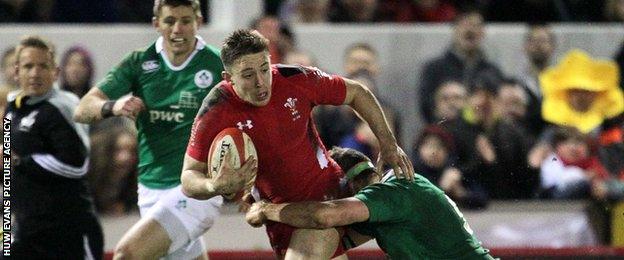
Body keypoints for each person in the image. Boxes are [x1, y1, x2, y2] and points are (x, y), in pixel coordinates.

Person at [181, 29, 413, 258]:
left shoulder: (295, 79)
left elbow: (357, 92)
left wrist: (388, 144)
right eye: (248, 75)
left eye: (264, 69)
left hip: (335, 200)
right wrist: (215, 185)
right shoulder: (216, 108)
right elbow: (189, 178)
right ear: (228, 78)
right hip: (286, 219)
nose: (261, 82)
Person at [73, 0, 224, 259]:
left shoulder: (216, 64)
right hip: (150, 187)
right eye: (169, 21)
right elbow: (83, 109)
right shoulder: (140, 62)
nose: (178, 29)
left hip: (197, 187)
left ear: (198, 22)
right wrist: (114, 105)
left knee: (128, 254)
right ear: (156, 24)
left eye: (185, 21)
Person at [245, 147, 494, 259]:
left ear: (345, 187)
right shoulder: (386, 205)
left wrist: (268, 210)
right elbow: (333, 245)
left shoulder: (394, 190)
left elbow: (324, 217)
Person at [6, 35, 103, 259]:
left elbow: (77, 165)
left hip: (66, 230)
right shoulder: (13, 107)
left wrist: (21, 161)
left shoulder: (63, 107)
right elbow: (9, 162)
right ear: (17, 71)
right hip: (22, 227)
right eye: (29, 66)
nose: (35, 73)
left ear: (56, 72)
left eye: (43, 66)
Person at [417, 9, 503, 124]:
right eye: (465, 24)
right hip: (446, 134)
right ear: (454, 30)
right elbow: (427, 107)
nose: (470, 30)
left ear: (483, 32)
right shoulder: (434, 69)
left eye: (475, 25)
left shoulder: (492, 71)